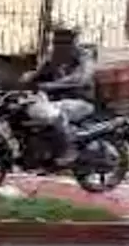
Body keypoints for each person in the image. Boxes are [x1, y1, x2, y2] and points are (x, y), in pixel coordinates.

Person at [21, 25, 96, 167]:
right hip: (55, 100)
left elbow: (81, 78)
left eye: (64, 41)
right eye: (56, 41)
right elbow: (36, 74)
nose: (59, 45)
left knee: (56, 113)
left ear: (73, 41)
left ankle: (69, 150)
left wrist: (53, 85)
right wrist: (23, 80)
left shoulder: (84, 57)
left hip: (81, 101)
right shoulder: (53, 57)